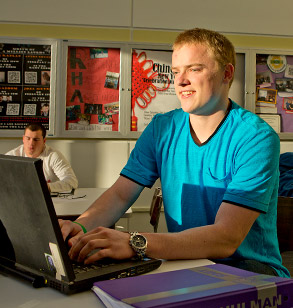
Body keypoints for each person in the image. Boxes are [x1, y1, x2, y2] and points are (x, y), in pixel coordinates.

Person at [59, 28, 290, 278]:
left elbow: (226, 238)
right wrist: (79, 227)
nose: (180, 81)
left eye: (194, 69)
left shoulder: (256, 138)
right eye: (177, 71)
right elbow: (119, 195)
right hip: (188, 263)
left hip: (249, 270)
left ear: (226, 73)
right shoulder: (162, 128)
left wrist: (133, 242)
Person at [6, 123, 78, 193]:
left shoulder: (53, 156)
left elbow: (72, 182)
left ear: (44, 141)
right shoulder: (12, 156)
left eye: (36, 139)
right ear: (23, 139)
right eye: (28, 138)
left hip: (49, 200)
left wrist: (47, 187)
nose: (31, 143)